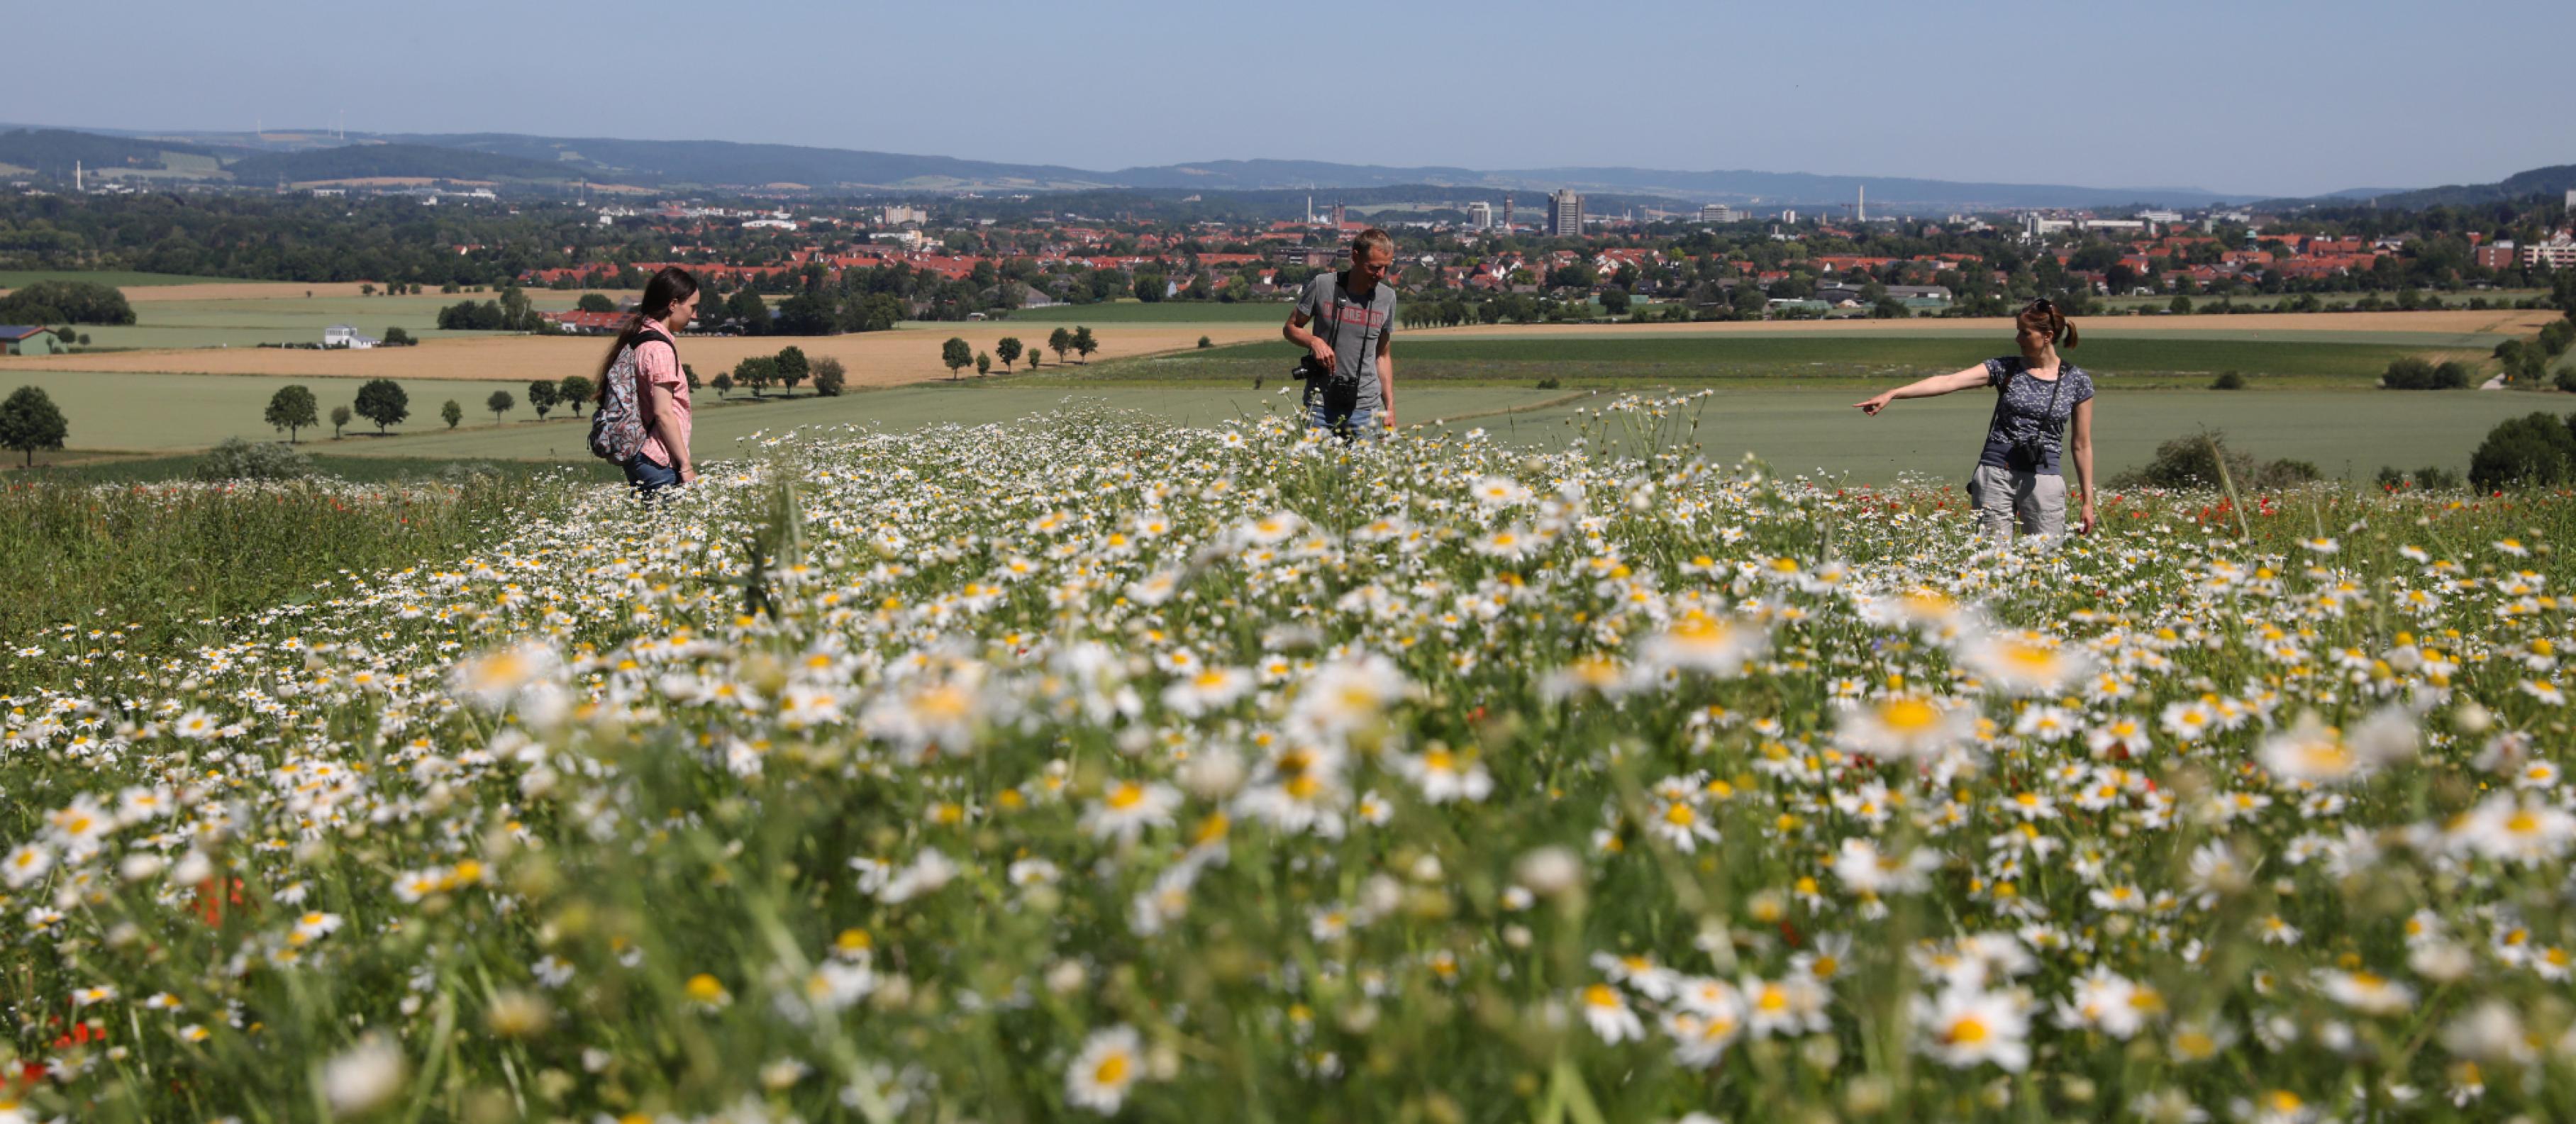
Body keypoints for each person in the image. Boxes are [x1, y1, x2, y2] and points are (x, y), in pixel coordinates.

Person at [1853, 298, 2096, 538]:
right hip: (1995, 473)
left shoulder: (2077, 381)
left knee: (2046, 557)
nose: (2018, 339)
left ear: (2048, 336)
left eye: (2025, 333)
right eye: (2018, 332)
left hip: (2043, 477)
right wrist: (1894, 393)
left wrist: (2088, 502)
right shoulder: (2005, 368)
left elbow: (2081, 445)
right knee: (1990, 559)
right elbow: (1949, 381)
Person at [593, 267, 700, 497]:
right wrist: (686, 466)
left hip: (640, 457)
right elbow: (663, 413)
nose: (695, 315)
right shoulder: (659, 349)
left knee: (651, 528)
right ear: (673, 304)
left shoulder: (638, 337)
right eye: (692, 307)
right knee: (666, 531)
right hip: (657, 459)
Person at [1283, 228, 1399, 440]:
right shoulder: (1323, 285)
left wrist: (1389, 408)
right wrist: (1314, 341)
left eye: (1386, 268)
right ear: (1355, 257)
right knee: (1317, 472)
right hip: (1320, 405)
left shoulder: (1387, 298)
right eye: (1374, 267)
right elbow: (1290, 328)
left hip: (1366, 408)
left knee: (1365, 473)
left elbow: (1383, 356)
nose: (1381, 275)